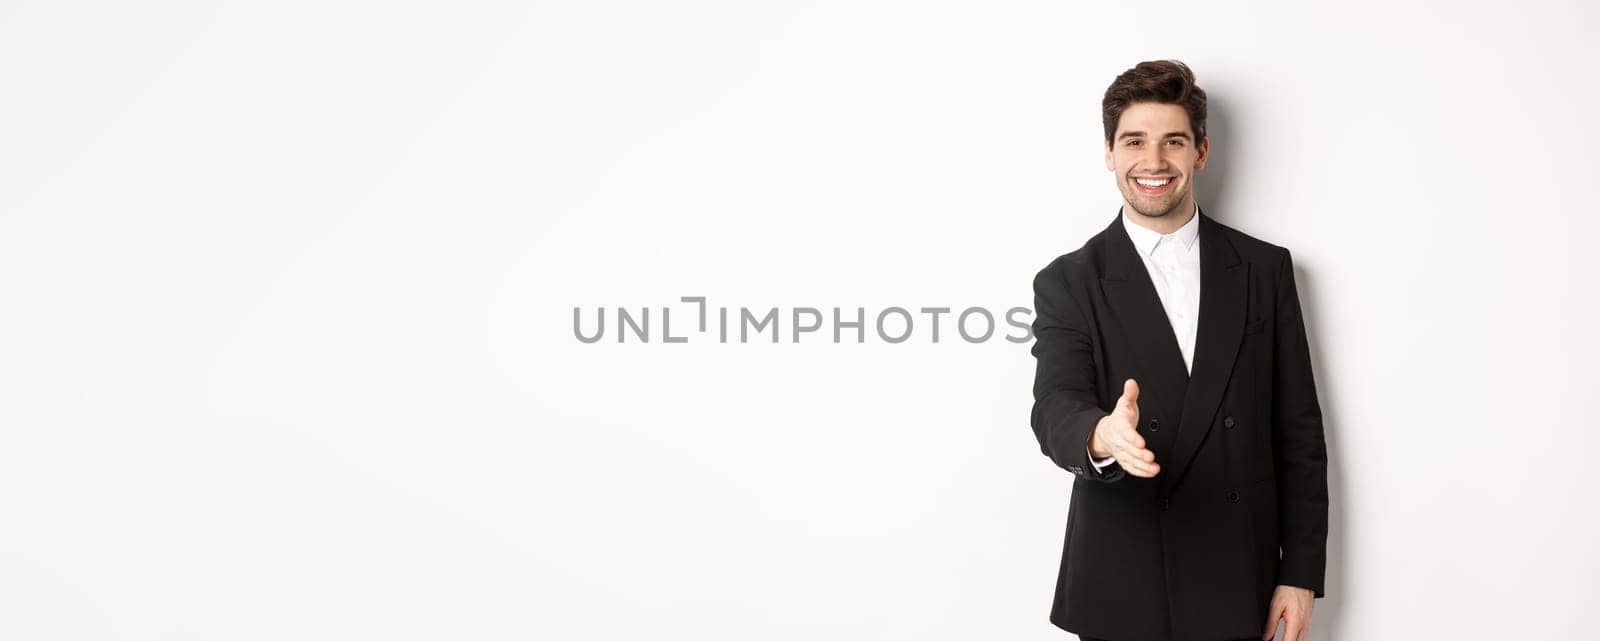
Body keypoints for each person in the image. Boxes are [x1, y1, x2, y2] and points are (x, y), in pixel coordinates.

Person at [1028, 60, 1329, 641]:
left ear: (1201, 152)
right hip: (1125, 576)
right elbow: (1055, 404)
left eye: (1174, 141)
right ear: (1110, 154)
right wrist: (1101, 436)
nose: (1154, 162)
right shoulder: (1069, 280)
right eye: (1134, 141)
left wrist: (1301, 573)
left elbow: (1299, 431)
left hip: (1241, 571)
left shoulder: (1264, 269)